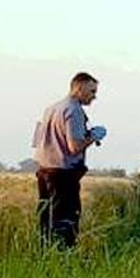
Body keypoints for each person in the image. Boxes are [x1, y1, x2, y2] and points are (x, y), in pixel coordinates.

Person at [32, 72, 106, 247]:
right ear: (79, 88)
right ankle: (64, 259)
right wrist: (93, 137)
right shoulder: (74, 110)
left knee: (46, 219)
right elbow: (74, 147)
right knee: (66, 220)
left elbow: (37, 141)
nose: (94, 97)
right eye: (92, 91)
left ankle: (45, 258)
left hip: (44, 171)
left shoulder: (50, 109)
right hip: (63, 175)